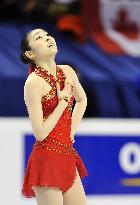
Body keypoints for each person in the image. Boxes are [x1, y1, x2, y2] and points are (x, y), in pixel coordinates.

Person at [20, 28, 88, 205]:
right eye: (39, 38)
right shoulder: (33, 83)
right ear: (30, 53)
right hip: (46, 160)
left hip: (67, 155)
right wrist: (63, 102)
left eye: (47, 34)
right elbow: (40, 133)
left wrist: (70, 132)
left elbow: (82, 100)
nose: (47, 38)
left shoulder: (68, 71)